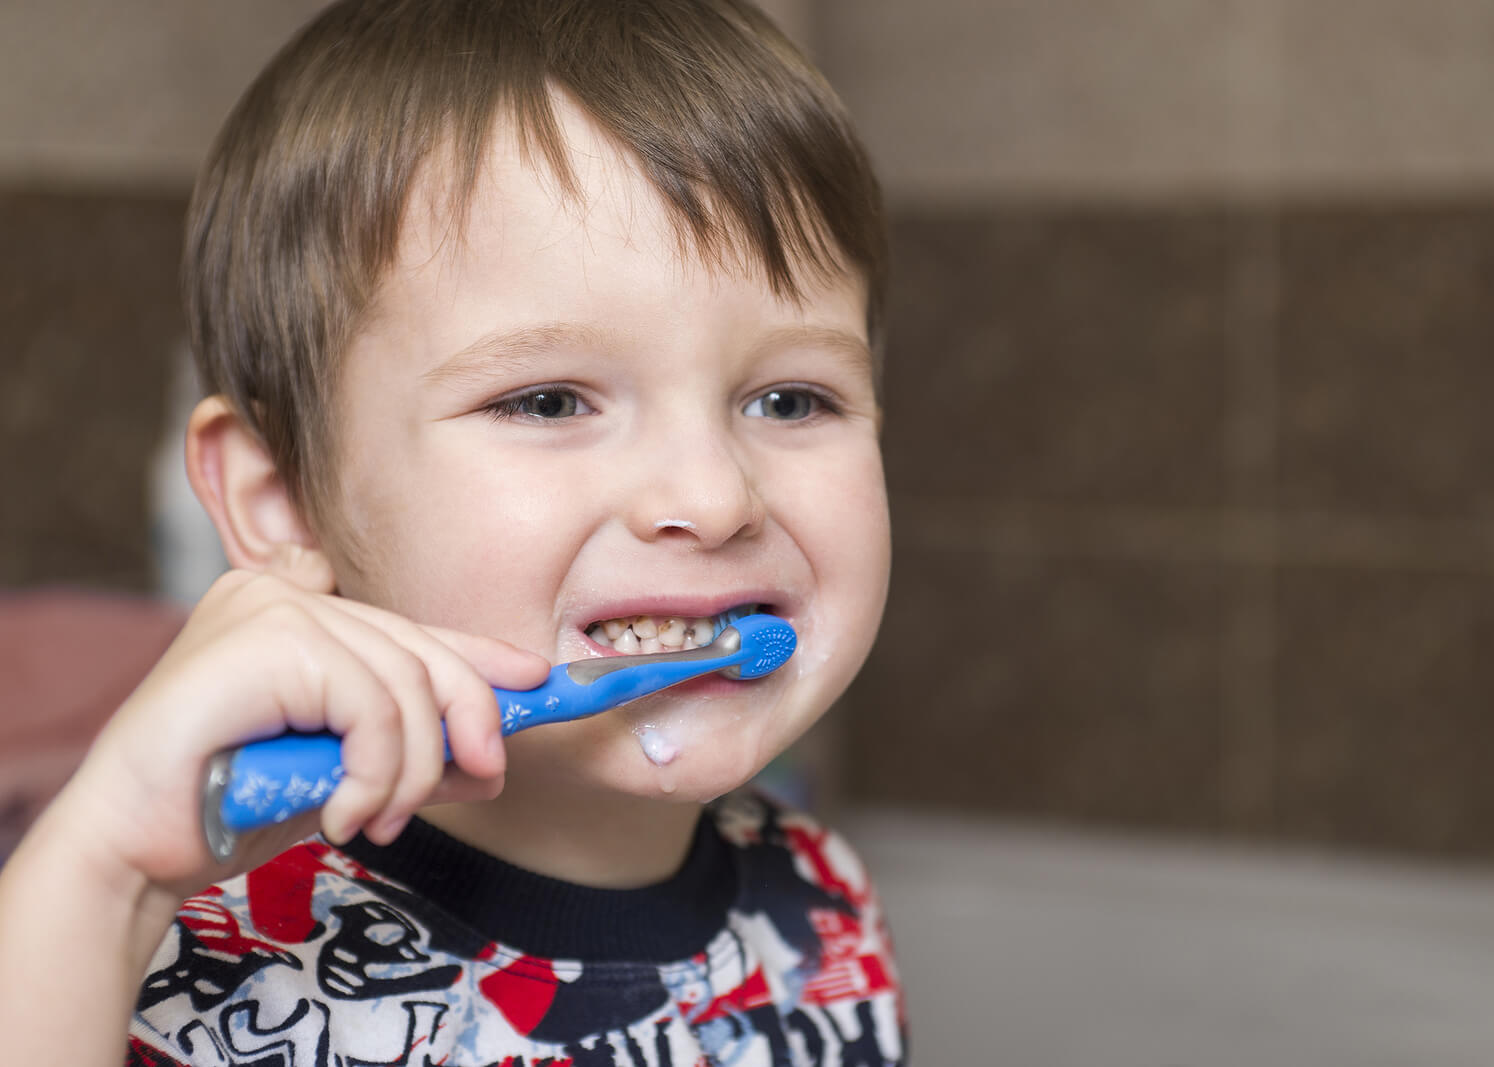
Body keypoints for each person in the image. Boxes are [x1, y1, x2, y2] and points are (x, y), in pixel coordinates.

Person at [0, 1, 903, 1063]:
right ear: (281, 500)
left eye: (791, 400)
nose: (715, 497)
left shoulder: (823, 900)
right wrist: (101, 879)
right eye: (550, 402)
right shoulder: (189, 960)